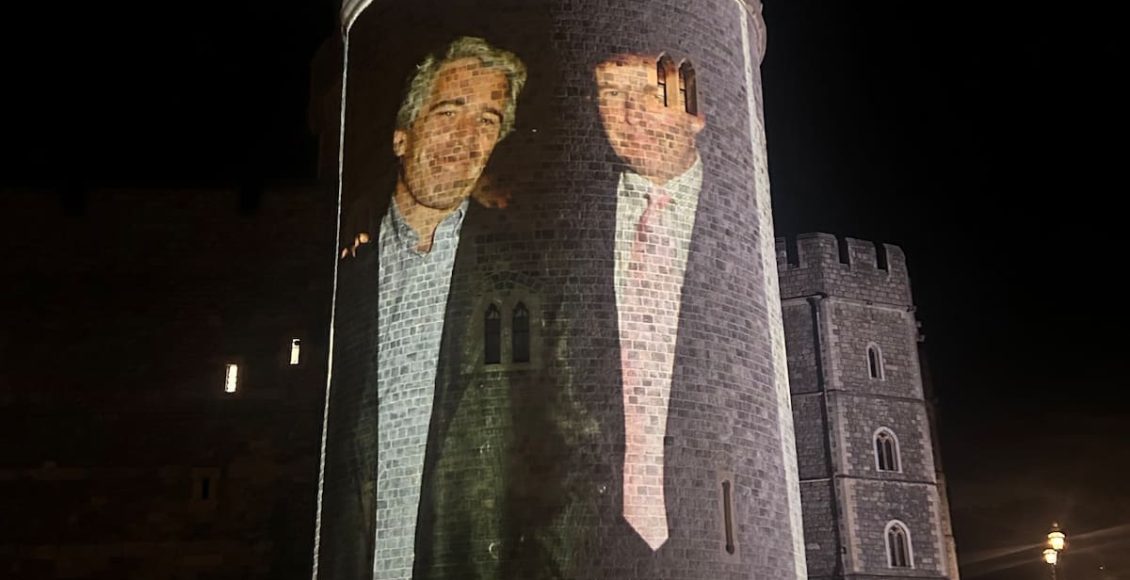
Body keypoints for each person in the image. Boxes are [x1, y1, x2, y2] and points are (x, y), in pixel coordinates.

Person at [321, 36, 527, 580]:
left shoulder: (527, 281)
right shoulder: (341, 275)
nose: (467, 137)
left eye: (487, 121)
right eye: (449, 112)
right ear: (402, 135)